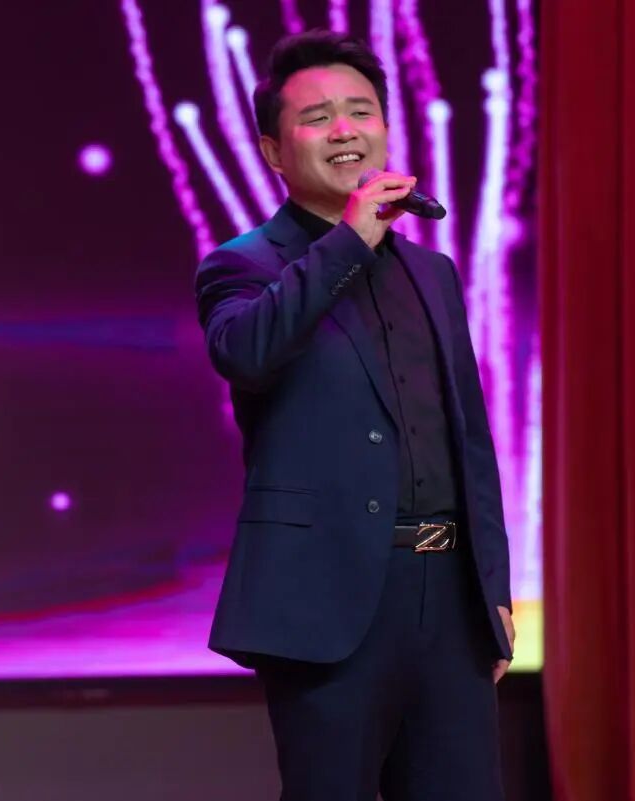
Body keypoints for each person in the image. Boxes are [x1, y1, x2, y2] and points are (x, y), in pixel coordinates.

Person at [194, 31, 515, 800]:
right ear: (273, 151)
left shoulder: (431, 272)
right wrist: (347, 241)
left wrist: (492, 587)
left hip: (449, 601)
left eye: (360, 111)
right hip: (326, 602)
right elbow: (246, 352)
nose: (344, 129)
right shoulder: (242, 263)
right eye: (317, 118)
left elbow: (468, 439)